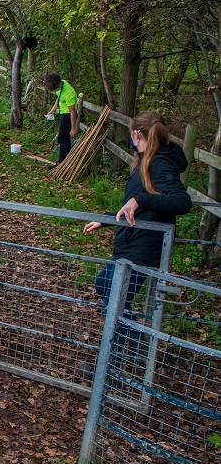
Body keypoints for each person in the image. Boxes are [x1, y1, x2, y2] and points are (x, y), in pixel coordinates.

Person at [83, 111, 192, 351]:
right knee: (105, 286)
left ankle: (117, 357)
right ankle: (132, 344)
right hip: (133, 240)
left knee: (117, 299)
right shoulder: (148, 160)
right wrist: (109, 220)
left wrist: (140, 200)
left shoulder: (159, 163)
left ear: (136, 134)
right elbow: (138, 205)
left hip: (143, 247)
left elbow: (182, 202)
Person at [45, 73, 78, 168]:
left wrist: (73, 128)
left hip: (68, 116)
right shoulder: (61, 84)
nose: (55, 91)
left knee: (62, 139)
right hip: (63, 114)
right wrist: (52, 111)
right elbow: (58, 100)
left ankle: (61, 164)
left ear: (58, 83)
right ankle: (63, 162)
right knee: (63, 139)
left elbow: (73, 112)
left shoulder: (69, 93)